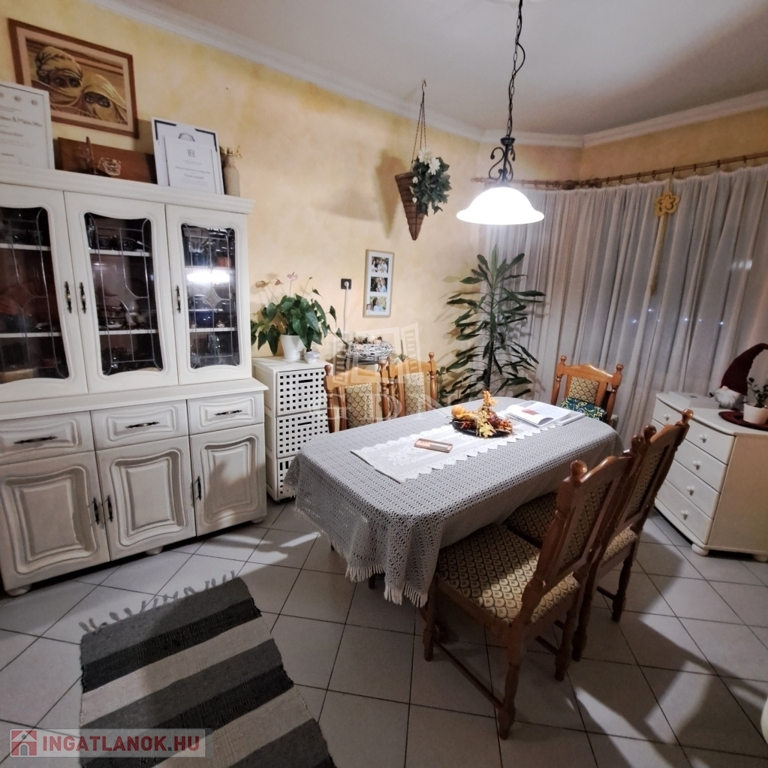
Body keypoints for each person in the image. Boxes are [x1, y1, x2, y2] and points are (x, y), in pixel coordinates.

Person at [33, 46, 83, 113]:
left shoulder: (84, 115)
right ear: (45, 82)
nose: (68, 86)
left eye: (74, 84)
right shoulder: (37, 108)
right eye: (59, 82)